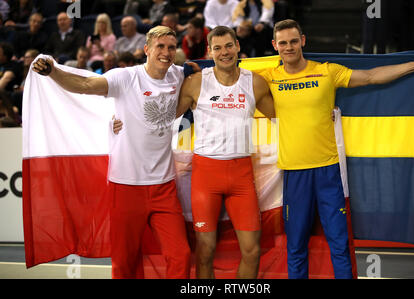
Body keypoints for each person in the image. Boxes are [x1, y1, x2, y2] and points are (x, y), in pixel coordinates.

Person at [262, 19, 414, 279]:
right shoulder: (268, 78)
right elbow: (227, 75)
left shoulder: (327, 72)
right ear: (275, 46)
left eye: (294, 41)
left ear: (303, 41)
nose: (289, 47)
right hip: (294, 173)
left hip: (328, 172)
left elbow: (371, 76)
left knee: (339, 244)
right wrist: (197, 73)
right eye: (283, 43)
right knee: (296, 247)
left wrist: (413, 65)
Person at [32, 25, 192, 279]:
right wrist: (53, 72)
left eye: (171, 47)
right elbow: (85, 84)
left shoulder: (179, 75)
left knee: (181, 255)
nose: (166, 52)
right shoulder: (125, 77)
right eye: (160, 47)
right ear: (146, 50)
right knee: (124, 263)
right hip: (126, 187)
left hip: (164, 186)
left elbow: (209, 73)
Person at [175, 26, 275, 278]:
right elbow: (164, 116)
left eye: (229, 46)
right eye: (217, 48)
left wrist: (324, 115)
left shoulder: (255, 82)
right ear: (210, 51)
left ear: (238, 46)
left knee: (252, 251)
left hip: (241, 176)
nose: (224, 52)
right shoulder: (196, 83)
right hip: (205, 177)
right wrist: (120, 119)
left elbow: (283, 115)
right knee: (206, 250)